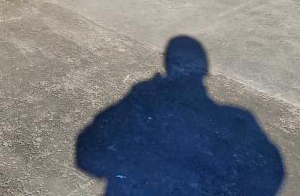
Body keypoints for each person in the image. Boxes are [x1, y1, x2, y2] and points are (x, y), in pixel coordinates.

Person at [76, 36, 284, 195]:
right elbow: (272, 172)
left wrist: (133, 98)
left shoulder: (141, 104)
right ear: (203, 71)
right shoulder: (239, 120)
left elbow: (86, 152)